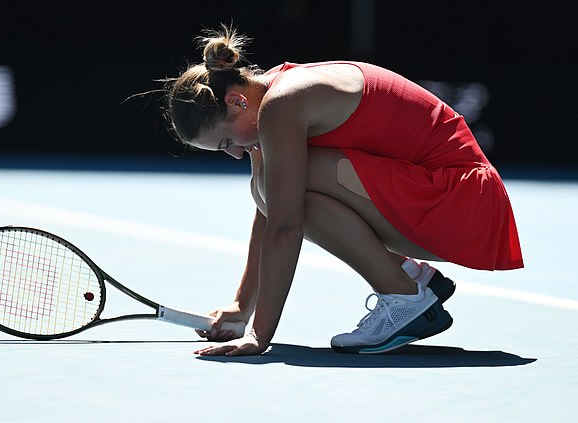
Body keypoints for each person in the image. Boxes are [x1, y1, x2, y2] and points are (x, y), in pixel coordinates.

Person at [159, 24, 523, 356]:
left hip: (468, 207)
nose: (236, 154)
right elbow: (268, 210)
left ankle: (405, 298)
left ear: (236, 101)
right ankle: (411, 276)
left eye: (225, 142)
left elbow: (286, 226)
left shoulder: (281, 107)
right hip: (460, 203)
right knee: (268, 188)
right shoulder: (272, 96)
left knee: (282, 192)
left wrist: (259, 335)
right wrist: (242, 305)